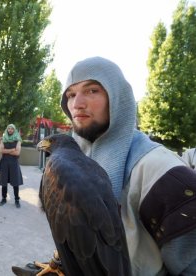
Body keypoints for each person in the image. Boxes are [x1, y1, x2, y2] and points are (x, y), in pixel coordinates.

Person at [14, 57, 196, 276]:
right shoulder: (74, 158)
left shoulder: (162, 170)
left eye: (92, 90)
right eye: (71, 95)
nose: (77, 103)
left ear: (118, 98)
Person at [0, 124, 23, 208]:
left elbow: (17, 153)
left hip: (14, 163)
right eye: (9, 128)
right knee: (4, 181)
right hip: (4, 162)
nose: (10, 130)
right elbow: (1, 150)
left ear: (14, 130)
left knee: (15, 182)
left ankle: (17, 200)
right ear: (7, 129)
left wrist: (6, 151)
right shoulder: (3, 139)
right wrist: (12, 150)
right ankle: (3, 198)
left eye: (12, 129)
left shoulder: (18, 140)